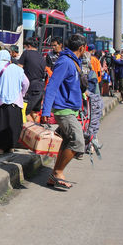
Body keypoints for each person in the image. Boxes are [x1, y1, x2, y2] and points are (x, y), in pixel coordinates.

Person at [41, 34, 87, 189]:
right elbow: (52, 86)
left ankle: (54, 174)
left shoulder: (72, 61)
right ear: (82, 48)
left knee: (67, 142)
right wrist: (46, 111)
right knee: (78, 141)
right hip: (63, 110)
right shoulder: (66, 62)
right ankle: (58, 172)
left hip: (70, 109)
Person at [0, 50, 29, 154]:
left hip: (2, 101)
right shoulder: (17, 68)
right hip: (16, 102)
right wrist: (21, 94)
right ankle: (10, 147)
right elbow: (26, 83)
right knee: (13, 125)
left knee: (1, 125)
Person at [18, 37, 46, 122]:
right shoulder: (41, 56)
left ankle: (34, 129)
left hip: (31, 87)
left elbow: (19, 69)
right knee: (34, 112)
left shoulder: (26, 53)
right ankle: (39, 128)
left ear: (28, 46)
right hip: (40, 87)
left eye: (25, 46)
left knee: (24, 112)